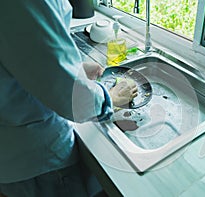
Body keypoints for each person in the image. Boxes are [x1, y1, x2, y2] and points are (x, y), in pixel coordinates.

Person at [0, 0, 137, 196]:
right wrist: (111, 98)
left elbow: (25, 51)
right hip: (38, 160)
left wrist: (74, 69)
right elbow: (72, 99)